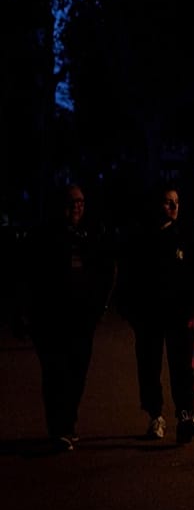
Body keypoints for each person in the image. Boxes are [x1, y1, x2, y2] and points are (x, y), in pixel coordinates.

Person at [23, 184, 116, 452]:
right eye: (72, 202)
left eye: (81, 202)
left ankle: (68, 423)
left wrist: (100, 305)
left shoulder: (88, 235)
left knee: (77, 373)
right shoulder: (43, 236)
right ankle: (59, 428)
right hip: (51, 320)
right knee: (55, 374)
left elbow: (105, 269)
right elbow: (29, 277)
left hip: (81, 319)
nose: (77, 207)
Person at [118, 184, 194, 444]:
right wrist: (133, 314)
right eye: (168, 202)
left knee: (182, 368)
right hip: (149, 317)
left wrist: (192, 306)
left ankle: (185, 415)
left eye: (176, 202)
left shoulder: (185, 236)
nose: (174, 207)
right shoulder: (142, 239)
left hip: (179, 315)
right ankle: (155, 415)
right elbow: (128, 278)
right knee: (149, 367)